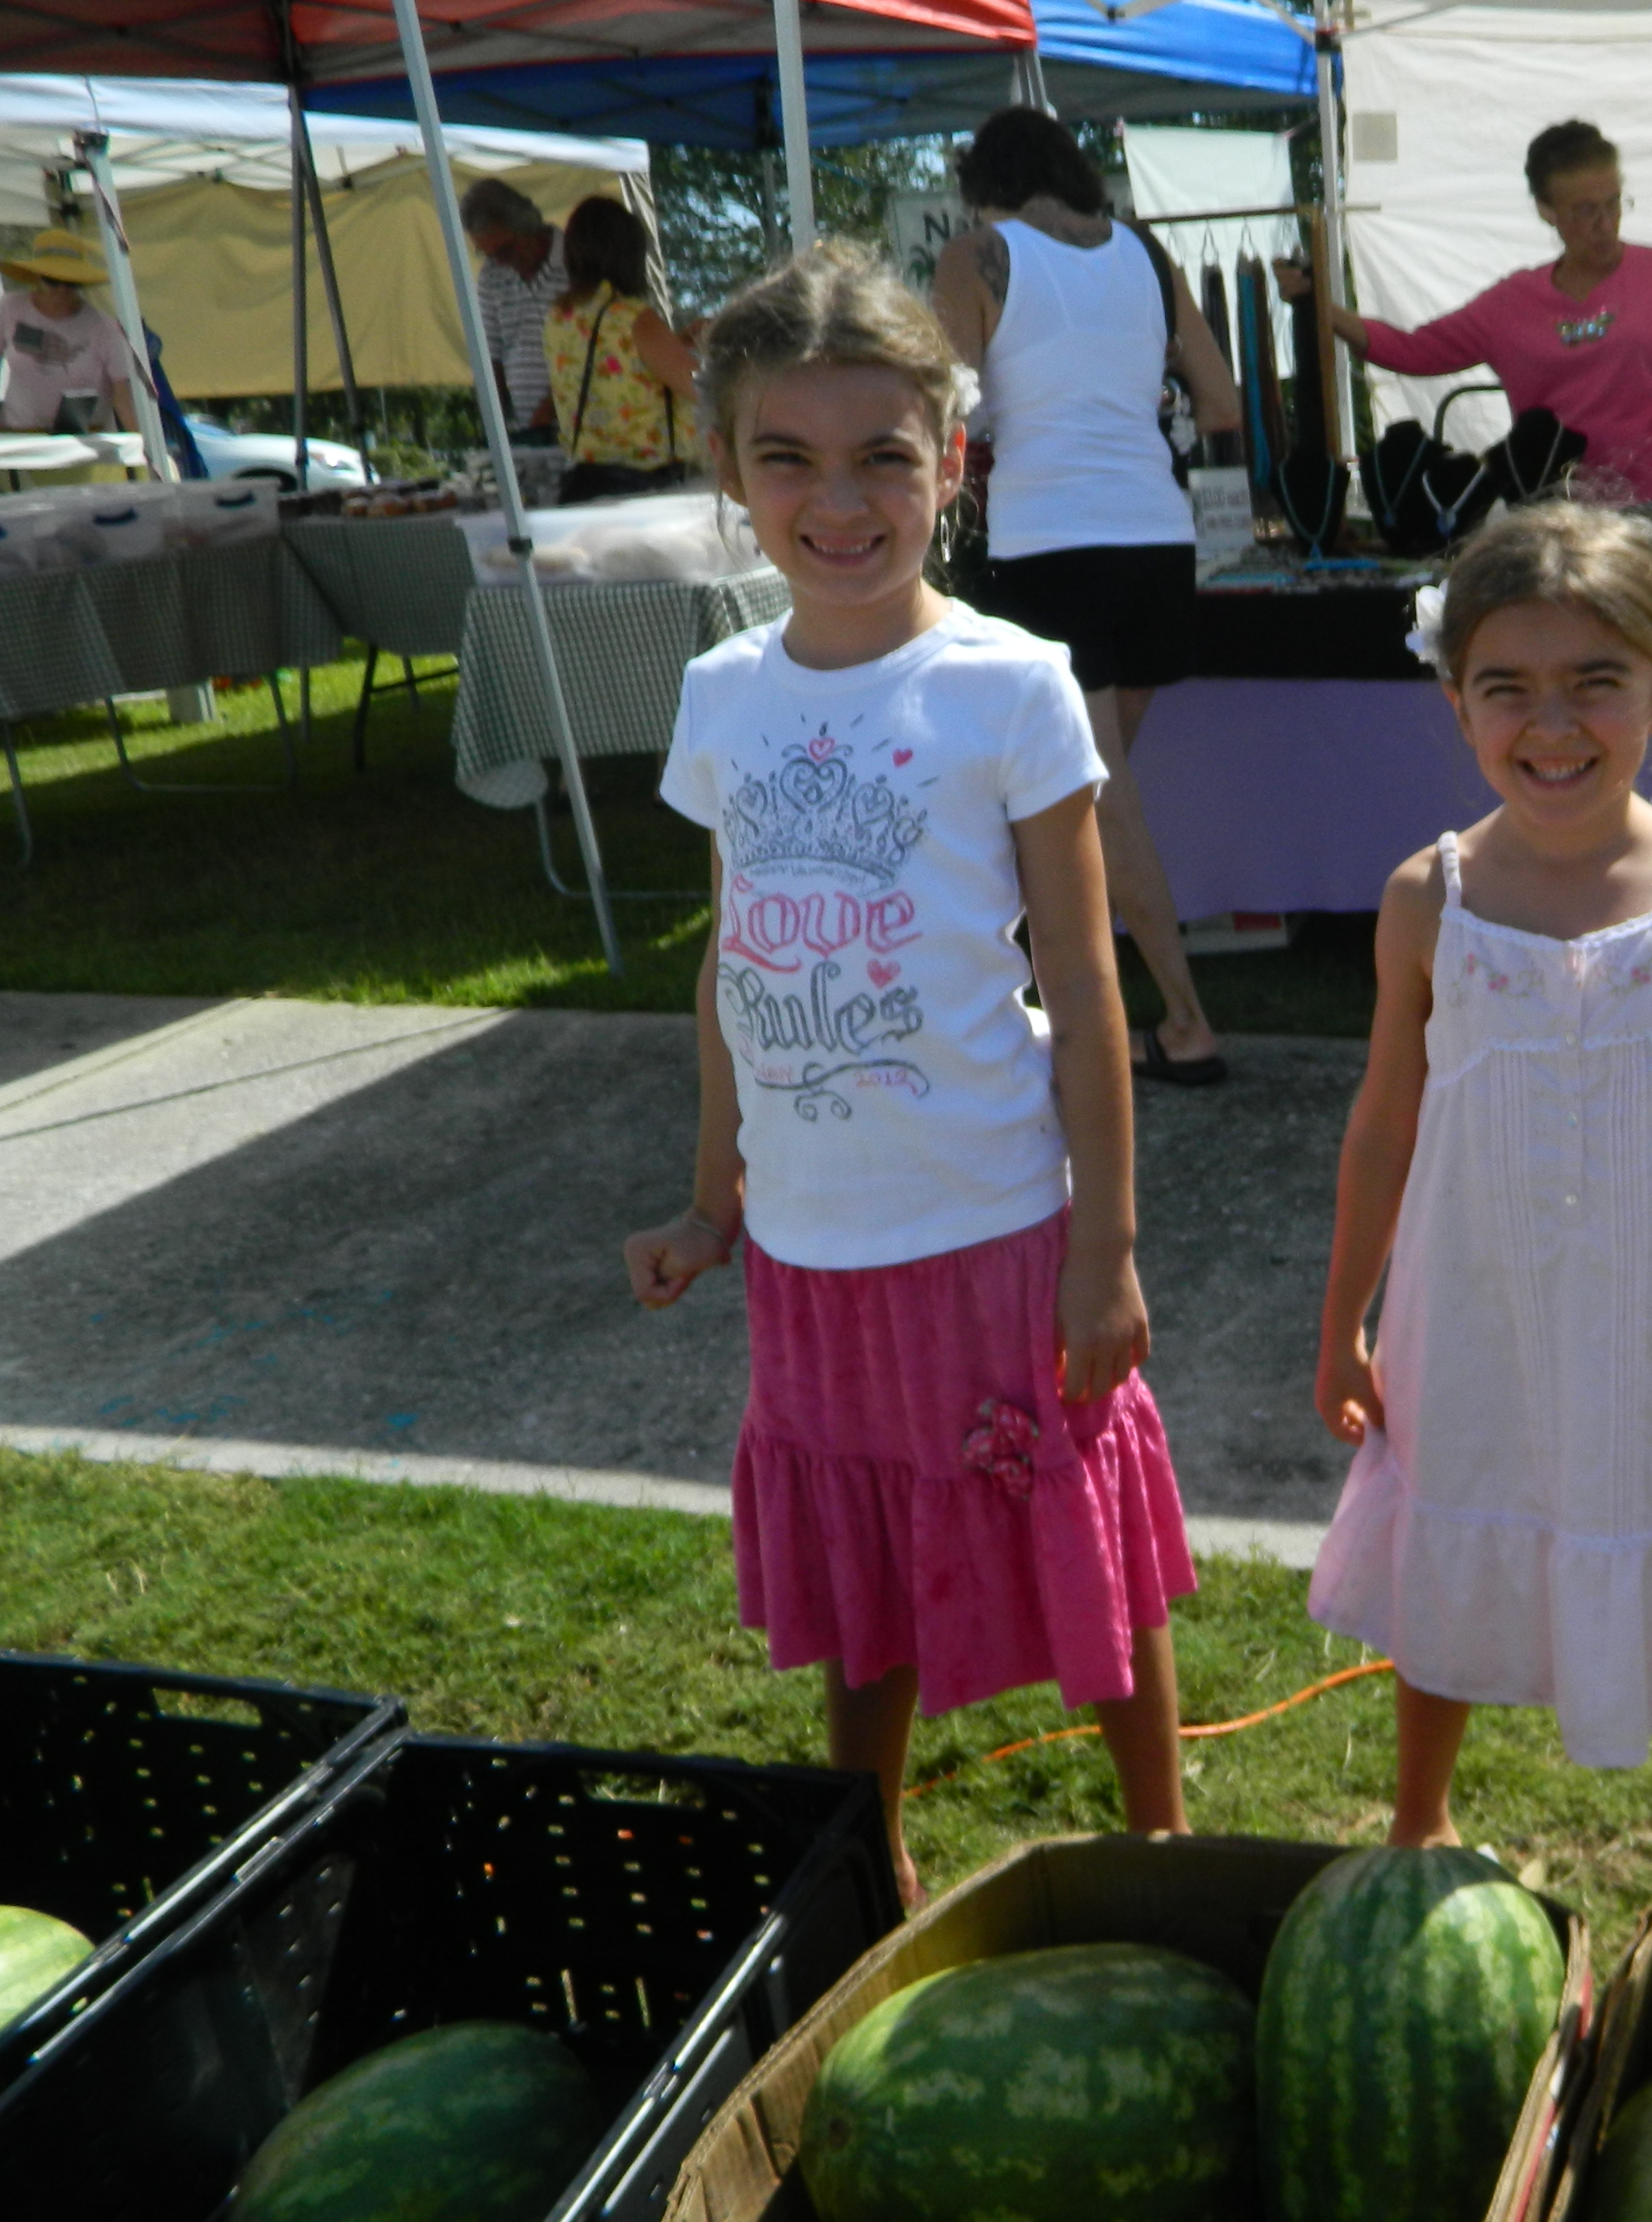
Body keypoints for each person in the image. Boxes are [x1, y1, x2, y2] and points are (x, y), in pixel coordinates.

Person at [622, 241, 1193, 1908]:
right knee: (861, 1559)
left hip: (996, 1232)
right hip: (812, 1254)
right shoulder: (720, 695)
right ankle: (864, 1853)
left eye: (883, 454)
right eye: (787, 457)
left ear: (953, 459)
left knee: (1076, 1537)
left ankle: (1165, 1841)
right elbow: (733, 969)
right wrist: (713, 1199)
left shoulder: (1010, 685)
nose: (839, 499)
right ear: (728, 471)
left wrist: (1106, 1248)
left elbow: (1084, 985)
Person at [1308, 500, 1652, 1888]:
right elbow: (1384, 1124)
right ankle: (1418, 1821)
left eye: (1595, 682)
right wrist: (1344, 1318)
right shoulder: (1429, 899)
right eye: (1509, 688)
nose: (1552, 725)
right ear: (1457, 701)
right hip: (1470, 1320)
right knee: (1458, 1527)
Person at [932, 108, 1245, 1089]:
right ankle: (1029, 976)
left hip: (1050, 541)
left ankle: (1184, 1019)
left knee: (1093, 797)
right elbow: (1225, 402)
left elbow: (944, 404)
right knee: (1073, 797)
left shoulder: (978, 255)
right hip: (1158, 538)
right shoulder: (1145, 253)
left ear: (984, 186)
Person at [1279, 120, 1652, 536]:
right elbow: (1417, 351)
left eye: (1613, 204)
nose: (1604, 224)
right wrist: (1325, 311)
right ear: (1545, 211)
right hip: (1554, 515)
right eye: (1583, 211)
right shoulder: (1513, 302)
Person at [544, 196, 700, 503]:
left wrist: (676, 343)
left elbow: (616, 364)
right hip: (647, 487)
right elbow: (700, 387)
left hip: (588, 481)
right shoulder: (631, 317)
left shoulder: (560, 317)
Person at [459, 176, 566, 441]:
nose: (499, 262)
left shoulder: (576, 260)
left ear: (528, 226)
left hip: (582, 421)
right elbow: (491, 357)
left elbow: (594, 349)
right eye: (487, 254)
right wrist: (495, 428)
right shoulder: (491, 276)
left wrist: (552, 407)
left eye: (505, 250)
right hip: (529, 428)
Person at [1, 230, 135, 434]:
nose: (62, 290)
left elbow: (123, 398)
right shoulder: (10, 309)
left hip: (85, 439)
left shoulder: (105, 328)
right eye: (53, 281)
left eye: (72, 283)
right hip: (22, 436)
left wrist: (141, 444)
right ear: (38, 278)